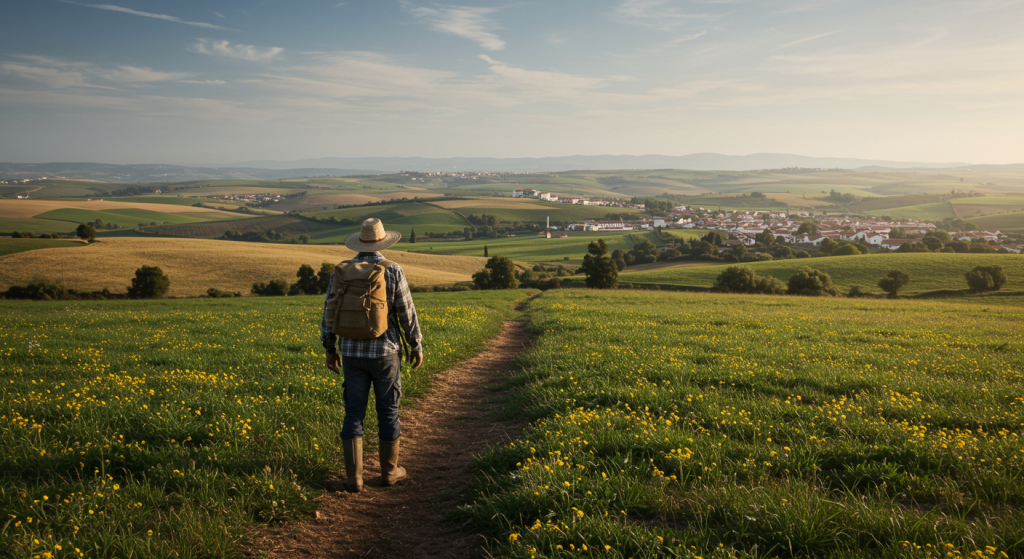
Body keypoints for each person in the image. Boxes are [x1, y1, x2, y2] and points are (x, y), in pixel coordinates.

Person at [321, 218, 423, 493]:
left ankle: (354, 478)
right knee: (388, 411)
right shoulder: (392, 270)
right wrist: (416, 344)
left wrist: (330, 348)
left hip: (351, 351)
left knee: (353, 412)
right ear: (383, 241)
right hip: (386, 352)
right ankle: (389, 472)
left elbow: (329, 311)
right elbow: (406, 312)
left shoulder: (342, 270)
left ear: (359, 242)